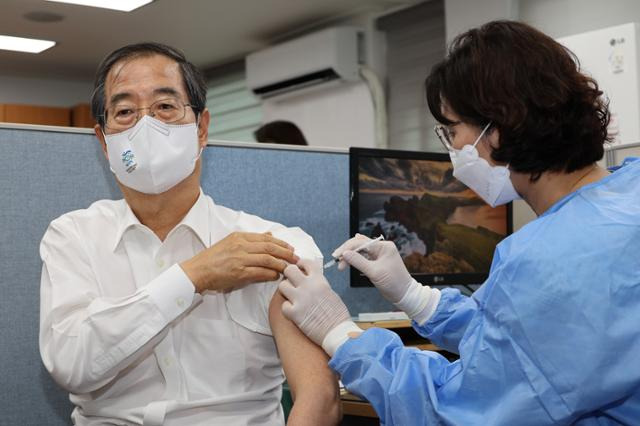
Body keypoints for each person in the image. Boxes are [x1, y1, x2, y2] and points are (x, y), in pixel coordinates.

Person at [277, 20, 640, 425]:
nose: (452, 150)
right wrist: (415, 296)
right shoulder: (629, 191)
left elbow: (455, 409)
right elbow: (529, 349)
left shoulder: (548, 259)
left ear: (499, 129)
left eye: (452, 131)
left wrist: (338, 332)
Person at [39, 42, 341, 426]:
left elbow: (320, 399)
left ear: (201, 128)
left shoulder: (271, 245)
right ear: (104, 142)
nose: (146, 126)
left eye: (165, 107)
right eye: (125, 111)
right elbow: (71, 365)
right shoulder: (73, 237)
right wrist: (193, 277)